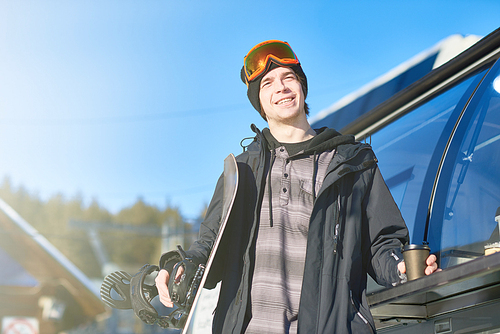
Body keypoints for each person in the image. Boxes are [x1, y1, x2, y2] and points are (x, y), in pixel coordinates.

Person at [155, 40, 439, 333]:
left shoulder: (352, 163)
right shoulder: (240, 172)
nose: (281, 87)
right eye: (268, 83)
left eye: (288, 77)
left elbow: (383, 243)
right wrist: (179, 266)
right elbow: (209, 246)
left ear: (302, 88)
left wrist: (399, 268)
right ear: (260, 103)